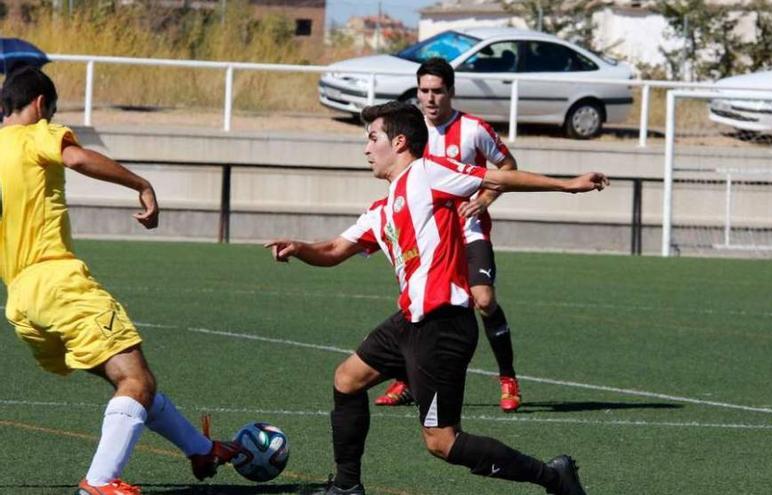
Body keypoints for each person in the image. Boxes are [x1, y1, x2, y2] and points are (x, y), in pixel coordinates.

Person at [266, 101, 608, 495]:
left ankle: (554, 477)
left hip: (442, 324)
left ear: (398, 142)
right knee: (347, 379)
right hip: (410, 321)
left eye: (372, 138)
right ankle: (346, 488)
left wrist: (568, 185)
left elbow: (498, 177)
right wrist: (300, 247)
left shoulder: (428, 173)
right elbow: (332, 250)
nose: (366, 149)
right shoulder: (381, 209)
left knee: (442, 442)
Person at [0, 67, 241, 495]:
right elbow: (74, 156)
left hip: (20, 300)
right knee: (137, 382)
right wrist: (141, 184)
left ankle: (201, 450)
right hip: (58, 283)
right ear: (40, 104)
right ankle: (99, 482)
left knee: (129, 378)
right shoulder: (36, 133)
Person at [376, 57, 524, 412]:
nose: (430, 98)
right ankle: (407, 379)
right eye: (423, 91)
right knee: (422, 304)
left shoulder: (473, 130)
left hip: (468, 232)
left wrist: (486, 199)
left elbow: (508, 167)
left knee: (484, 300)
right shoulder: (408, 134)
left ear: (451, 92)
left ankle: (508, 377)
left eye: (437, 91)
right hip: (426, 238)